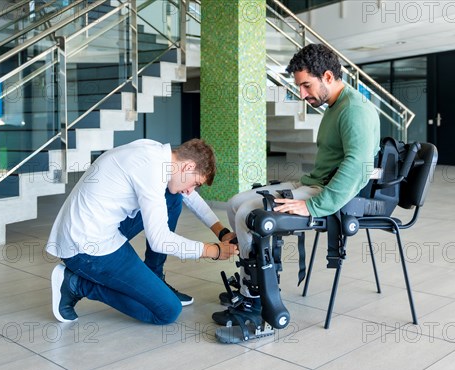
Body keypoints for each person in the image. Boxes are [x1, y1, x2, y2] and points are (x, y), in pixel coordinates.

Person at [213, 44, 381, 334]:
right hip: (314, 182)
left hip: (329, 193)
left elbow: (358, 166)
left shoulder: (355, 110)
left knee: (247, 215)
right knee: (234, 202)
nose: (302, 94)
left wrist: (314, 206)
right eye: (299, 86)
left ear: (328, 76)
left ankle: (256, 297)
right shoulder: (334, 106)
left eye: (306, 85)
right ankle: (253, 281)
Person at [47, 138, 238, 324]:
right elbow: (160, 240)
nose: (191, 190)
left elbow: (189, 197)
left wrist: (221, 231)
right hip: (85, 248)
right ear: (188, 167)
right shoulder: (152, 171)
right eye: (195, 183)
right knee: (168, 311)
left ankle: (154, 277)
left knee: (174, 198)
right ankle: (77, 285)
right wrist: (214, 250)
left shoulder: (157, 153)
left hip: (94, 226)